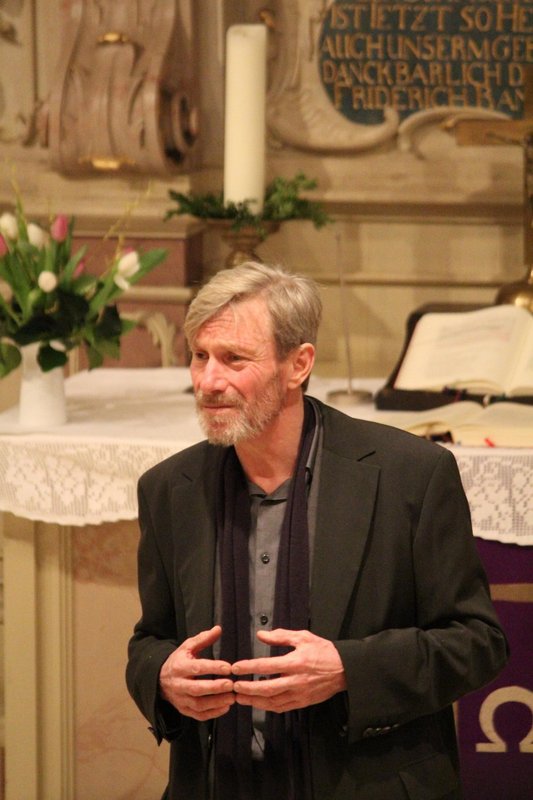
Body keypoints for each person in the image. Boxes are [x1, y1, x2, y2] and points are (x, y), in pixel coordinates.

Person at [126, 261, 508, 800]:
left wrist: (348, 669)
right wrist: (163, 678)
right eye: (200, 355)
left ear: (298, 364)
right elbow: (151, 640)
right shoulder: (170, 488)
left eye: (234, 358)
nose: (208, 381)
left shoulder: (410, 476)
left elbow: (477, 642)